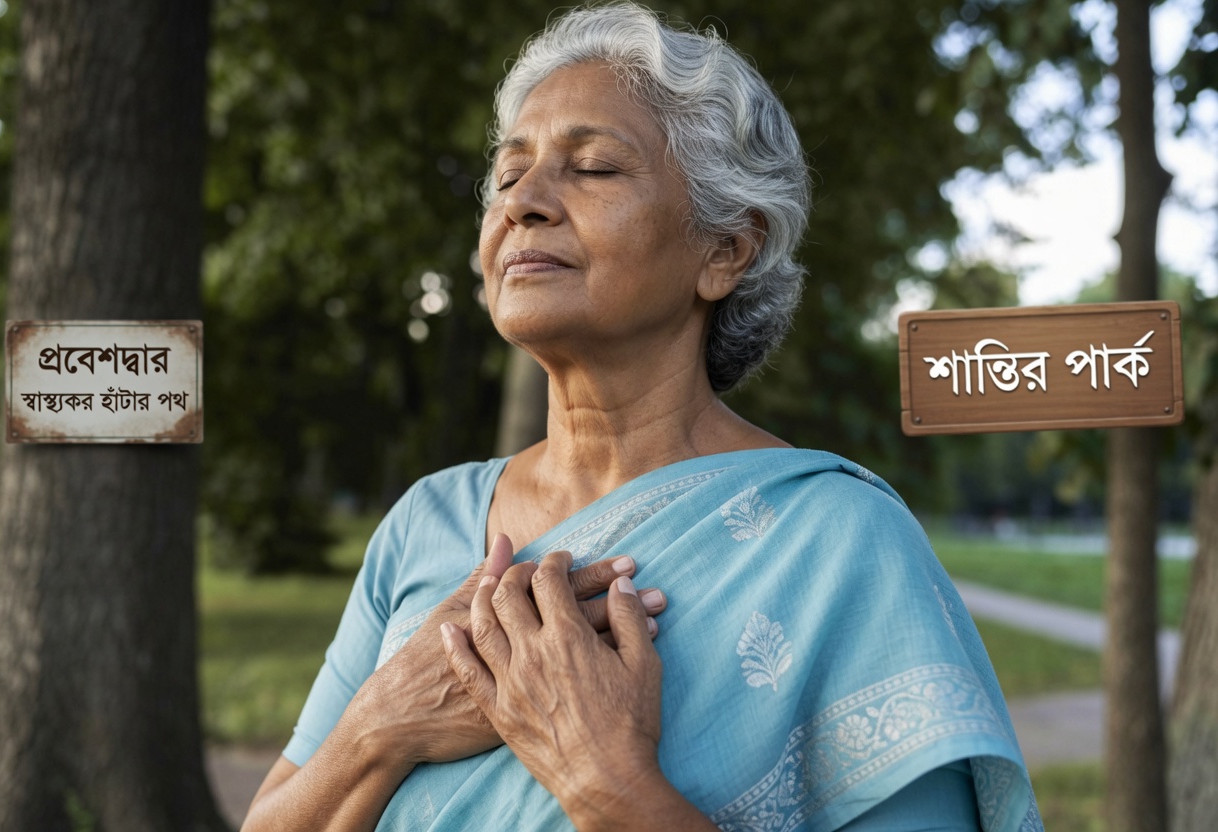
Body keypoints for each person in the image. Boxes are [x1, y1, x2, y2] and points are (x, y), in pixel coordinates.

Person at [243, 4, 1041, 830]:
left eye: (592, 168)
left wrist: (605, 781)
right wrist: (384, 723)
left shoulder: (840, 542)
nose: (524, 203)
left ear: (725, 249)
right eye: (510, 175)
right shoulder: (426, 522)